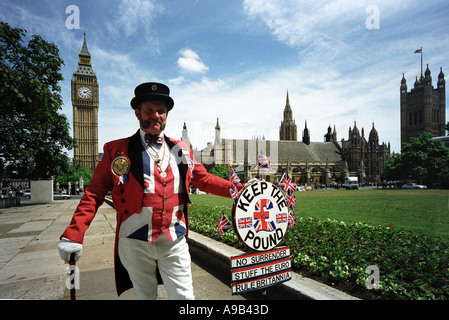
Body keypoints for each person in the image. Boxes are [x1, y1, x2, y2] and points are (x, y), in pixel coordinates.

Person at [58, 82, 243, 299]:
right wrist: (74, 233)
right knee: (145, 296)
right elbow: (94, 193)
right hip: (134, 241)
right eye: (149, 110)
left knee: (185, 297)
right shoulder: (117, 149)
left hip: (174, 239)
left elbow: (202, 179)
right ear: (137, 113)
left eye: (161, 111)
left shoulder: (180, 149)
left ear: (166, 114)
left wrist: (238, 189)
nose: (156, 115)